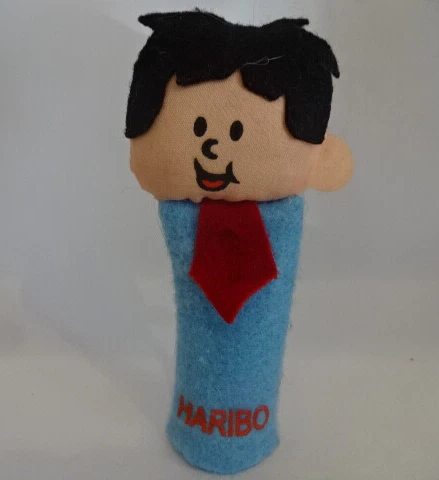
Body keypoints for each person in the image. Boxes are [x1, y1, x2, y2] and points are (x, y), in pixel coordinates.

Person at [125, 10, 353, 474]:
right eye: (199, 131)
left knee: (250, 338)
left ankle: (242, 428)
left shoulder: (279, 217)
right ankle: (205, 423)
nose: (213, 148)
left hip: (255, 416)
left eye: (235, 134)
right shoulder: (184, 215)